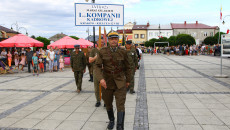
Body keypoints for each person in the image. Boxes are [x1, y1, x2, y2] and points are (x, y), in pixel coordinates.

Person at [95, 32, 131, 130]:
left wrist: (128, 80)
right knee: (108, 103)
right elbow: (97, 66)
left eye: (115, 38)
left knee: (120, 104)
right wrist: (101, 79)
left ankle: (120, 127)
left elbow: (128, 67)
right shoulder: (102, 51)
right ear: (108, 40)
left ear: (118, 40)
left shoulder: (123, 51)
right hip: (107, 82)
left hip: (120, 81)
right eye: (112, 39)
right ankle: (111, 120)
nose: (114, 40)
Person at [89, 37, 105, 107]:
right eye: (100, 42)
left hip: (104, 71)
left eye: (102, 42)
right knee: (96, 87)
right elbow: (90, 60)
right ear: (97, 42)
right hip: (96, 70)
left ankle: (105, 101)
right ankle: (98, 100)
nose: (101, 43)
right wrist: (96, 57)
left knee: (104, 86)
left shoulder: (105, 50)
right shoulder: (93, 50)